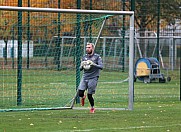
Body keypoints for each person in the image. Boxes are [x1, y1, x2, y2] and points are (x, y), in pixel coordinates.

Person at [78, 42, 103, 113]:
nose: (87, 49)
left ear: (92, 48)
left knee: (89, 94)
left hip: (93, 77)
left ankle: (92, 107)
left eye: (89, 47)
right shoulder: (84, 57)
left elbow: (101, 67)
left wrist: (93, 64)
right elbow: (80, 69)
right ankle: (83, 97)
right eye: (86, 47)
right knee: (80, 93)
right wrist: (81, 65)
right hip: (85, 76)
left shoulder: (97, 57)